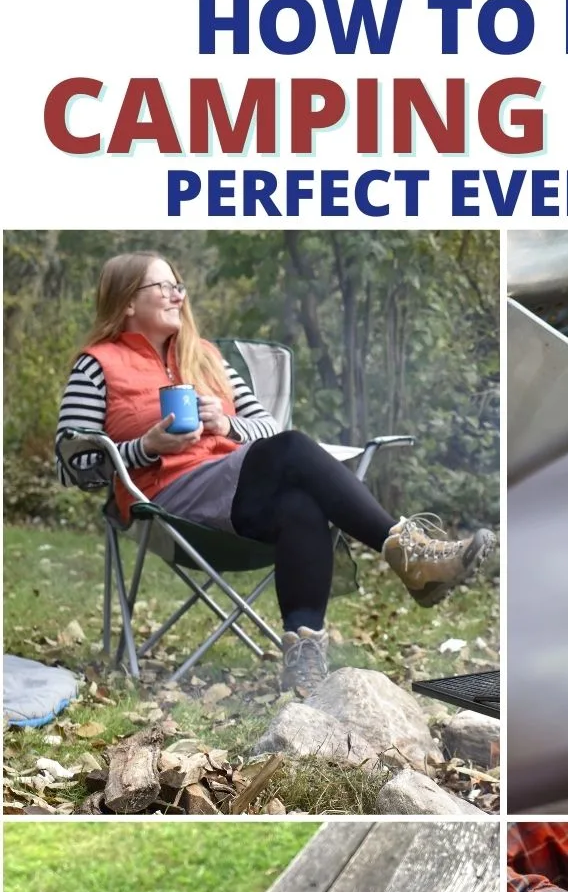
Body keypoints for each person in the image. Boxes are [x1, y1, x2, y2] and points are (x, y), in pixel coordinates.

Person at [56, 251, 497, 693]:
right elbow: (72, 465)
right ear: (128, 302)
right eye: (163, 287)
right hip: (167, 500)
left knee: (300, 504)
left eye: (179, 286)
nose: (177, 295)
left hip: (232, 492)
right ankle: (409, 553)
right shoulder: (97, 364)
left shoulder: (205, 357)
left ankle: (304, 658)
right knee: (292, 449)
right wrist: (146, 447)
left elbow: (267, 425)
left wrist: (227, 424)